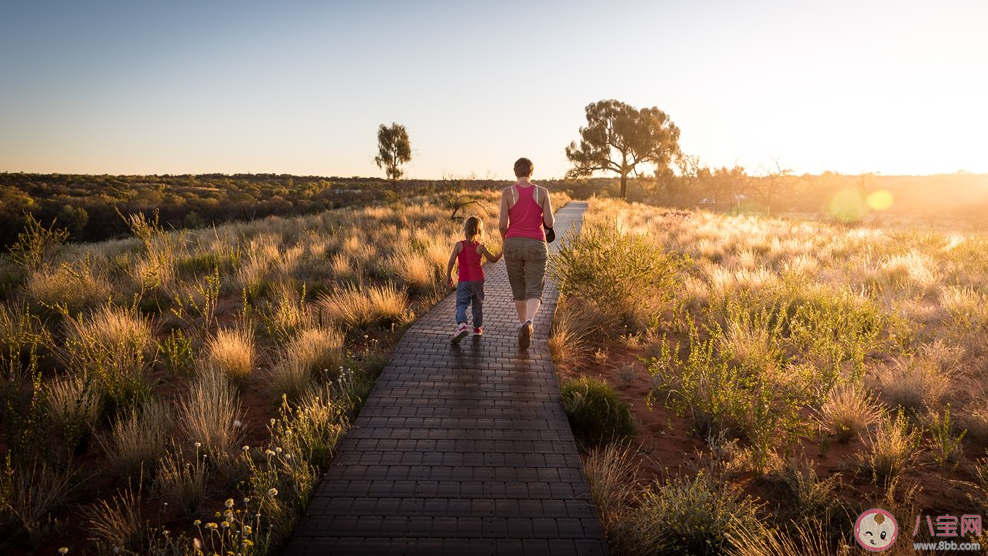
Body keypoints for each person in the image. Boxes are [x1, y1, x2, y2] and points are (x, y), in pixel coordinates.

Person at [499, 157, 554, 348]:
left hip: (512, 243)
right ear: (532, 172)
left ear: (515, 172)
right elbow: (549, 222)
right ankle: (529, 323)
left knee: (518, 289)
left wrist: (505, 240)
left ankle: (523, 324)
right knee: (534, 288)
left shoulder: (507, 192)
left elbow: (501, 224)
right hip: (536, 244)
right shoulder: (542, 192)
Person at [445, 215, 502, 344]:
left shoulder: (459, 245)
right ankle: (477, 328)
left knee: (461, 304)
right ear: (479, 231)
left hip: (464, 281)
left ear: (466, 229)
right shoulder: (480, 247)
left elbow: (451, 262)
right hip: (478, 280)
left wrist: (448, 276)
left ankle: (462, 325)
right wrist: (502, 252)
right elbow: (493, 260)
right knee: (477, 305)